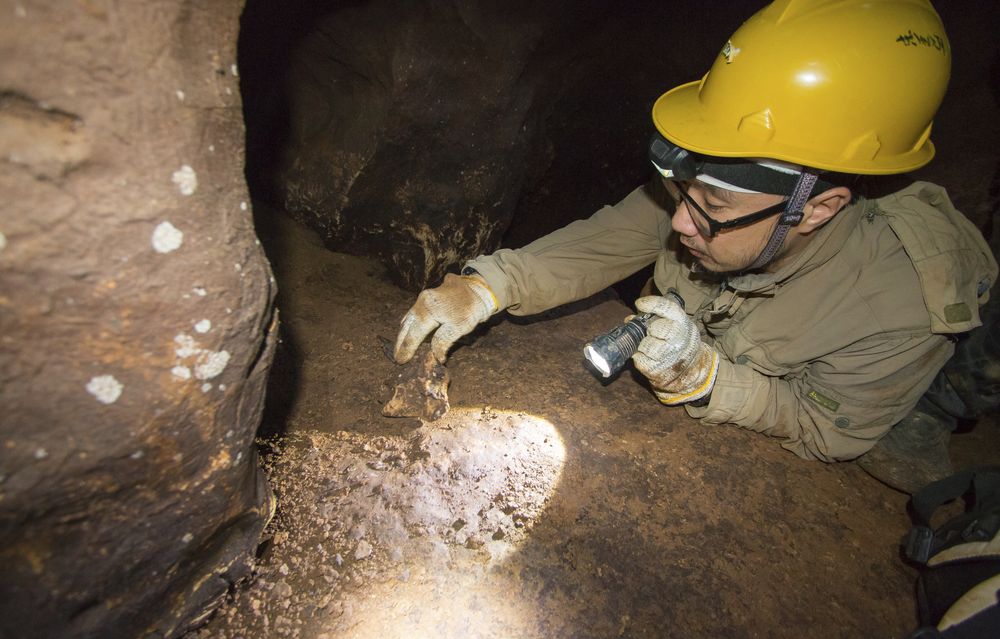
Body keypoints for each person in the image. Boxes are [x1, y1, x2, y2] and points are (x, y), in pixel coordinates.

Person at [393, 0, 998, 494]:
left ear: (816, 207)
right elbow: (609, 239)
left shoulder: (898, 309)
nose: (679, 222)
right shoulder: (717, 199)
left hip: (898, 353)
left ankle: (938, 407)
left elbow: (826, 429)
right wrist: (488, 284)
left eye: (711, 209)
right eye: (681, 191)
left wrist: (708, 378)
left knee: (921, 416)